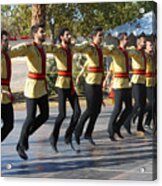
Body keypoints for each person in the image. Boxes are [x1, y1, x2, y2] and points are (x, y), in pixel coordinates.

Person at [11, 23, 49, 160]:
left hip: (42, 87)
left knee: (45, 115)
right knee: (30, 117)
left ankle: (24, 137)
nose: (44, 34)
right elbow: (15, 51)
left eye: (44, 32)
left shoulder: (43, 48)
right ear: (35, 34)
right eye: (41, 32)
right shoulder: (29, 48)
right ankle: (21, 145)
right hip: (32, 87)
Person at [47, 27, 82, 152]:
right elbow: (49, 48)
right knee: (62, 115)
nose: (70, 36)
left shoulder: (71, 49)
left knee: (77, 112)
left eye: (70, 34)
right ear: (61, 37)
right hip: (62, 84)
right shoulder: (58, 50)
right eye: (67, 35)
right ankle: (54, 137)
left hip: (70, 85)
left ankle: (68, 135)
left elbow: (79, 46)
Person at [74, 27, 105, 145]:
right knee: (90, 109)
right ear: (93, 37)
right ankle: (77, 132)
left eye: (102, 35)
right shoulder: (90, 49)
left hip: (98, 84)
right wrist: (77, 44)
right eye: (99, 35)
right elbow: (80, 49)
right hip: (90, 84)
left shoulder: (100, 49)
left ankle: (88, 133)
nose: (101, 38)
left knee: (97, 110)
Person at [103, 32, 132, 141]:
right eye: (125, 39)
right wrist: (106, 80)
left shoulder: (127, 52)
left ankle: (117, 127)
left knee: (129, 108)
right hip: (118, 84)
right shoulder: (116, 51)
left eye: (127, 39)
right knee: (117, 108)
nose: (127, 41)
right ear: (120, 40)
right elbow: (108, 53)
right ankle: (111, 130)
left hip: (126, 84)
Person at [125, 34, 147, 135]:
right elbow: (128, 52)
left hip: (143, 80)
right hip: (136, 80)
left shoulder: (144, 53)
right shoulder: (135, 51)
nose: (145, 43)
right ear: (138, 42)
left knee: (143, 105)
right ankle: (127, 122)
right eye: (143, 41)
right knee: (137, 103)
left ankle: (140, 126)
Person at [1, 30, 14, 142]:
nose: (7, 43)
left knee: (9, 124)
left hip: (6, 96)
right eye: (5, 40)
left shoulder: (6, 55)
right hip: (2, 94)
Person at [144, 40, 156, 130]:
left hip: (154, 82)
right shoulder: (143, 55)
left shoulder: (153, 56)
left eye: (152, 45)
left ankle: (152, 124)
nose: (152, 46)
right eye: (150, 45)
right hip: (147, 82)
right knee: (152, 103)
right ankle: (139, 112)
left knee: (156, 104)